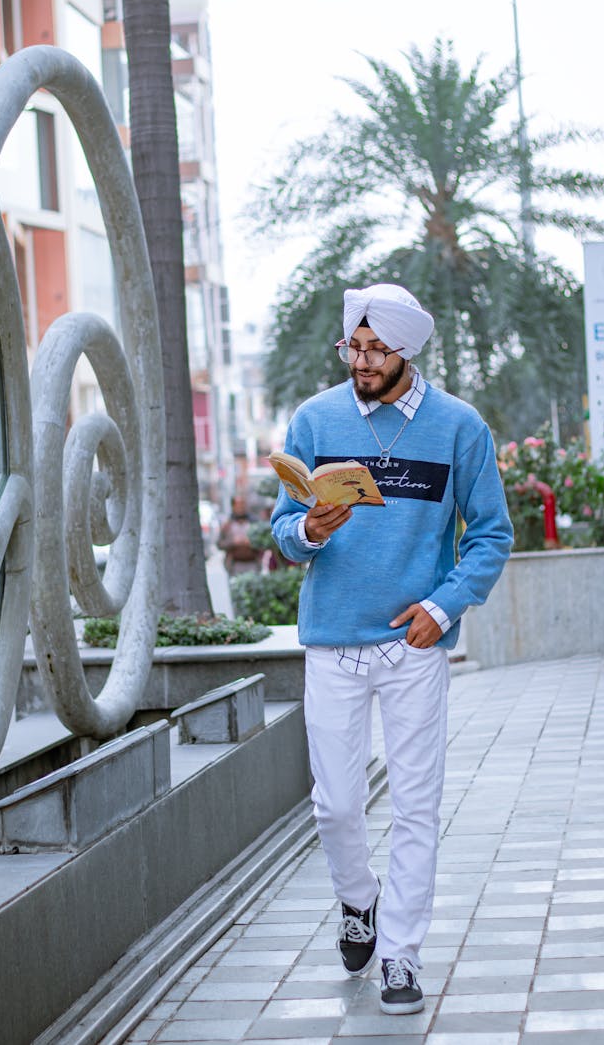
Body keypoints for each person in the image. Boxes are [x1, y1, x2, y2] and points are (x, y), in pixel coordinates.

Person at [271, 283, 513, 1015]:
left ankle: (401, 955)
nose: (363, 360)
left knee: (415, 804)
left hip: (412, 643)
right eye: (355, 346)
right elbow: (283, 533)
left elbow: (492, 534)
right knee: (336, 804)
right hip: (333, 641)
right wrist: (309, 530)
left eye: (377, 349)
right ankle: (358, 898)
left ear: (405, 350)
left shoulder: (459, 428)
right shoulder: (315, 418)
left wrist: (444, 607)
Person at [217, 495, 263, 575]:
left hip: (253, 563)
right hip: (234, 564)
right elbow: (219, 544)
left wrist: (252, 542)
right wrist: (233, 542)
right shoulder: (227, 525)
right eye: (238, 505)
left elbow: (263, 542)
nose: (241, 507)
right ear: (233, 506)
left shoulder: (254, 523)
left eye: (243, 504)